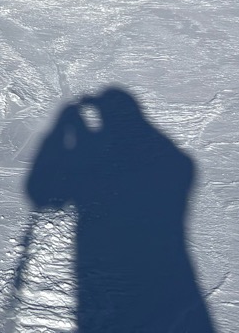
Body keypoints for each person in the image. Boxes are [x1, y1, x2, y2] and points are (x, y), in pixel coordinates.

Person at [25, 88, 216, 332]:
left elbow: (42, 194)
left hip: (108, 260)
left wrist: (62, 128)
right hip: (162, 269)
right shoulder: (175, 160)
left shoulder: (103, 153)